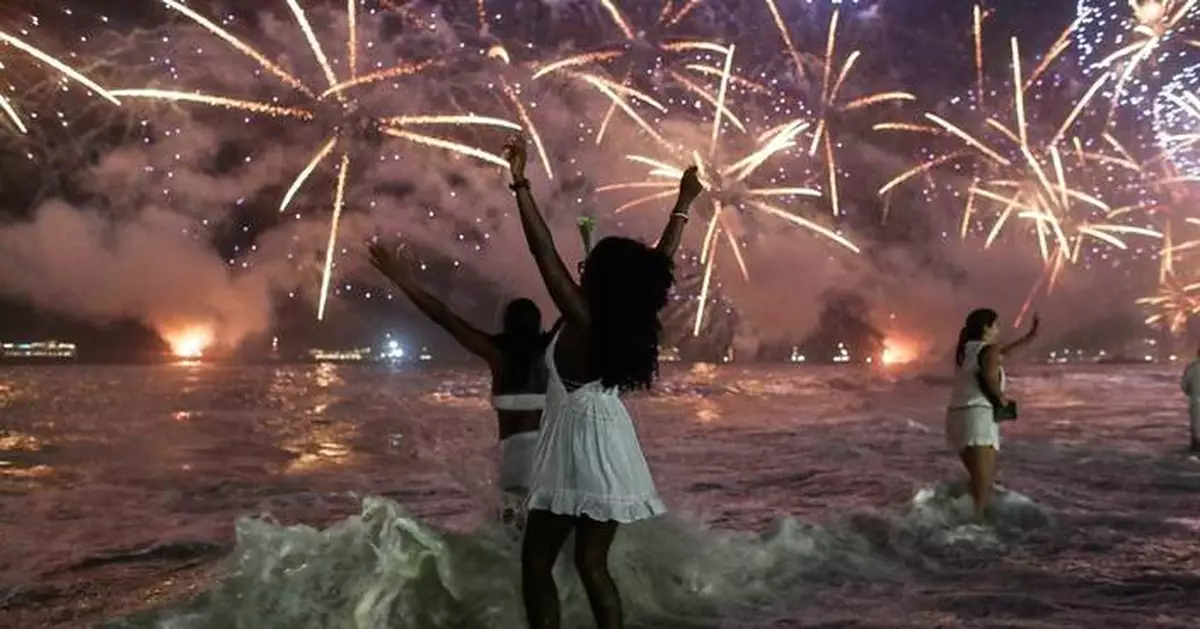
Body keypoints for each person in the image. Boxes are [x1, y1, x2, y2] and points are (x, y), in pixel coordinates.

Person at [503, 134, 703, 629]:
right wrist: (682, 203)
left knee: (536, 564)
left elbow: (542, 250)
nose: (583, 265)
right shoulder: (629, 317)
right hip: (610, 443)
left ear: (602, 277)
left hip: (575, 447)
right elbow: (660, 262)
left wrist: (521, 182)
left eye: (593, 264)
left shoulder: (584, 314)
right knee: (593, 566)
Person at [368, 243, 559, 526]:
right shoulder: (551, 351)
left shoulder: (497, 354)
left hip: (514, 466)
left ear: (506, 324)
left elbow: (444, 317)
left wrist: (402, 280)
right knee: (550, 546)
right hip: (552, 461)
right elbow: (579, 311)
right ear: (538, 323)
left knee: (514, 542)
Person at [945, 308, 1040, 518]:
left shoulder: (967, 350)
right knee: (984, 483)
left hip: (958, 416)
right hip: (978, 417)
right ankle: (972, 528)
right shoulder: (987, 351)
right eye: (996, 324)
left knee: (977, 479)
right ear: (986, 327)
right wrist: (1001, 397)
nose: (999, 328)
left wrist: (1029, 337)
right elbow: (990, 376)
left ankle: (959, 515)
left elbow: (999, 355)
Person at [1179, 347, 1200, 452]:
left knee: (1196, 429)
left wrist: (1192, 395)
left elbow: (1184, 385)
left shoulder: (1191, 367)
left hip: (1195, 403)